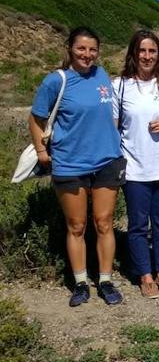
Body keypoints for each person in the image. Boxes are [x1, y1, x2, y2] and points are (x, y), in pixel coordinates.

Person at [29, 26, 125, 306]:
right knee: (76, 225)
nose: (87, 54)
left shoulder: (102, 75)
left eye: (92, 49)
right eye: (81, 48)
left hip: (107, 159)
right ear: (70, 48)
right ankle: (81, 282)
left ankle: (105, 280)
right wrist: (40, 149)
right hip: (70, 163)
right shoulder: (56, 81)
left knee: (105, 223)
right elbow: (36, 119)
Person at [112, 30, 159, 299]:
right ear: (133, 54)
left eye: (152, 51)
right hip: (135, 167)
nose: (147, 56)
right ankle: (145, 276)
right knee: (138, 224)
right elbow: (113, 125)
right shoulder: (120, 85)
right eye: (142, 51)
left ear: (158, 55)